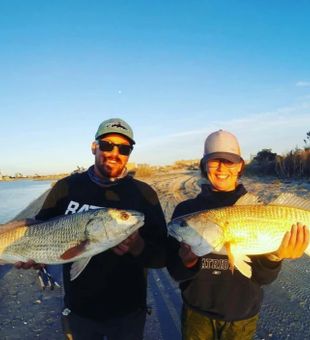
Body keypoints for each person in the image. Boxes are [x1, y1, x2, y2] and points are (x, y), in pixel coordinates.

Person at [15, 118, 167, 340]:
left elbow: (162, 256)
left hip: (128, 312)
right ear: (94, 147)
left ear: (129, 154)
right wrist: (36, 258)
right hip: (79, 311)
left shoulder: (144, 194)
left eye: (124, 148)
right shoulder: (66, 187)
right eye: (107, 145)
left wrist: (138, 246)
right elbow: (38, 230)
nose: (114, 153)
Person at [167, 129, 309, 340]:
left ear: (240, 166)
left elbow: (262, 277)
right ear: (204, 165)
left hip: (242, 317)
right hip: (196, 313)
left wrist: (275, 256)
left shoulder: (254, 205)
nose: (222, 167)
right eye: (215, 161)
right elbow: (176, 272)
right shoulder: (185, 211)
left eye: (230, 161)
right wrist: (186, 263)